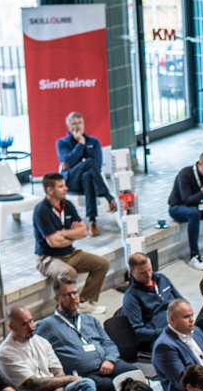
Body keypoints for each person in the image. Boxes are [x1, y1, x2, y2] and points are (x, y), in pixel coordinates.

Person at [0, 306, 96, 391]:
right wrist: (71, 378)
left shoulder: (40, 341)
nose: (31, 327)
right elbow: (35, 384)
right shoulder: (6, 353)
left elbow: (58, 372)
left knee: (87, 383)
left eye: (31, 321)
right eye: (24, 324)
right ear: (11, 327)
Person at [33, 280, 125, 391]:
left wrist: (109, 359)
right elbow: (39, 355)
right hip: (85, 374)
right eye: (67, 294)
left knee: (133, 374)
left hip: (109, 363)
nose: (72, 297)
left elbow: (108, 343)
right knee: (119, 387)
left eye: (75, 293)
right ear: (57, 299)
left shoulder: (90, 319)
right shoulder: (46, 326)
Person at [32, 172, 109, 304]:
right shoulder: (41, 211)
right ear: (50, 190)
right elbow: (54, 242)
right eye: (61, 186)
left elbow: (83, 231)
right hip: (49, 258)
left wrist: (63, 233)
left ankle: (85, 302)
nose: (66, 188)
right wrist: (73, 234)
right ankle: (67, 308)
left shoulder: (67, 205)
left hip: (70, 253)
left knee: (102, 264)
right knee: (69, 273)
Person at [152, 298, 203, 391]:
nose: (191, 320)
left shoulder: (197, 332)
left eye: (192, 315)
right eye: (186, 317)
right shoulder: (165, 346)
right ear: (172, 319)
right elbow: (182, 382)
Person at [121, 251, 185, 349]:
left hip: (180, 325)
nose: (148, 275)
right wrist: (167, 331)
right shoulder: (131, 297)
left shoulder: (162, 279)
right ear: (132, 271)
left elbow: (182, 301)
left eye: (150, 270)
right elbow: (137, 332)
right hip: (161, 336)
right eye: (143, 273)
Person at [55, 110, 109, 223]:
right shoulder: (62, 143)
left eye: (80, 123)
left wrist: (76, 164)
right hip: (71, 181)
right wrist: (81, 144)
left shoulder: (94, 142)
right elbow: (67, 162)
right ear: (69, 127)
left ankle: (92, 220)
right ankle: (107, 196)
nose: (77, 126)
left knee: (87, 175)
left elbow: (97, 165)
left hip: (89, 181)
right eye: (74, 123)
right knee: (89, 163)